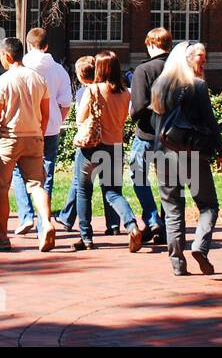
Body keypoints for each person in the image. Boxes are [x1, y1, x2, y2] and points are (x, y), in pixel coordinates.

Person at [150, 41, 222, 276]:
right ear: (186, 59)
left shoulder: (160, 86)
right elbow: (210, 122)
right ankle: (200, 246)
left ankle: (177, 263)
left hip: (162, 153)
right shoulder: (198, 87)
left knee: (172, 209)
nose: (204, 61)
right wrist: (221, 151)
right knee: (208, 205)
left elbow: (155, 123)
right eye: (200, 57)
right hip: (191, 153)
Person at [71, 50, 146, 251]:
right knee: (113, 192)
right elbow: (124, 119)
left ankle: (86, 238)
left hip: (91, 147)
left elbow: (80, 119)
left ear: (100, 69)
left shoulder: (93, 90)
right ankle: (132, 225)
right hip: (114, 146)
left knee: (84, 191)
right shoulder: (125, 93)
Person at [0, 38, 56, 252]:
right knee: (36, 185)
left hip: (8, 138)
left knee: (2, 189)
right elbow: (46, 114)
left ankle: (2, 237)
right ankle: (46, 222)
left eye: (0, 56)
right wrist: (39, 133)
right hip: (34, 136)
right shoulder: (38, 79)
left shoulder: (2, 81)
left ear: (7, 56)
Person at [13, 27, 73, 237]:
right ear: (47, 46)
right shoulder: (59, 70)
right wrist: (57, 120)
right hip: (50, 128)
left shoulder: (21, 68)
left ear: (28, 44)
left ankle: (26, 214)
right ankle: (43, 221)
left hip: (25, 127)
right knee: (46, 174)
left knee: (18, 171)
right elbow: (66, 102)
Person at [54, 56, 120, 235]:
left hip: (89, 142)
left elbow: (80, 118)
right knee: (111, 185)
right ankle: (114, 223)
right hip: (112, 142)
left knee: (81, 184)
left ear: (81, 75)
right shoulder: (110, 89)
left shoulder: (87, 92)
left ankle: (71, 221)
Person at [128, 27, 172, 246]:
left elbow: (137, 108)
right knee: (168, 182)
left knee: (138, 176)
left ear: (151, 44)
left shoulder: (143, 70)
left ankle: (152, 218)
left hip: (146, 134)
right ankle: (167, 228)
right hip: (172, 135)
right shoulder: (178, 70)